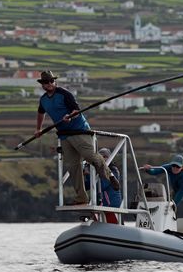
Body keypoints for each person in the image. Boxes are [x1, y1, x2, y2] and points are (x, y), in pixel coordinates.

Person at [35, 70, 120, 205]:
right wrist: (38, 129)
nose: (50, 83)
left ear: (54, 81)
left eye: (52, 81)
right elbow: (40, 113)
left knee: (90, 156)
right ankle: (81, 197)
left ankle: (109, 176)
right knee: (73, 167)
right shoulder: (43, 100)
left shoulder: (64, 94)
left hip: (79, 131)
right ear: (42, 85)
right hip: (64, 135)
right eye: (46, 82)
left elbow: (76, 110)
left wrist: (70, 117)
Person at [142, 154, 183, 234]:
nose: (175, 168)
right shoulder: (168, 167)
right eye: (174, 165)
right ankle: (169, 227)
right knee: (167, 206)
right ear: (171, 164)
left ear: (182, 167)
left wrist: (173, 203)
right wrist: (148, 169)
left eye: (178, 167)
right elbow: (155, 171)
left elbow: (181, 193)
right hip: (177, 189)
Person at [84, 148, 123, 223]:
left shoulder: (113, 170)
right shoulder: (96, 171)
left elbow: (102, 186)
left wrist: (89, 175)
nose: (103, 159)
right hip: (102, 207)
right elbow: (88, 186)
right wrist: (86, 174)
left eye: (105, 157)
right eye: (101, 157)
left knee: (114, 229)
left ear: (110, 158)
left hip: (111, 207)